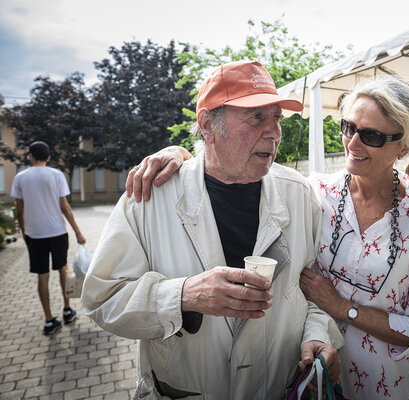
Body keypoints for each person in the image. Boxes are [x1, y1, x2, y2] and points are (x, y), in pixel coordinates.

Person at [133, 75, 409, 399]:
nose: (352, 143)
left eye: (371, 136)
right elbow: (237, 164)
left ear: (404, 145)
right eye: (348, 127)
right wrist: (186, 157)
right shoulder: (314, 192)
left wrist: (343, 308)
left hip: (388, 385)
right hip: (312, 377)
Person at [81, 60, 342, 399]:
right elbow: (103, 299)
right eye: (256, 117)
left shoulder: (299, 195)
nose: (275, 132)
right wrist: (184, 295)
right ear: (207, 124)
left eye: (276, 117)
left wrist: (317, 333)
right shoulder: (149, 197)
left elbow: (313, 291)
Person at [10, 141, 86, 335]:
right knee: (63, 269)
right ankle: (68, 310)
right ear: (49, 157)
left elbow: (20, 211)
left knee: (42, 276)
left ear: (30, 156)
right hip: (57, 231)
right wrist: (77, 232)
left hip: (34, 234)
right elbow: (65, 207)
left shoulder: (20, 177)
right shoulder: (56, 175)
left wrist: (25, 233)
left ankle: (49, 320)